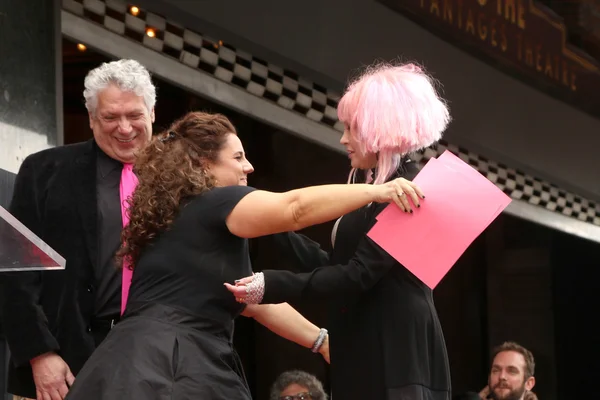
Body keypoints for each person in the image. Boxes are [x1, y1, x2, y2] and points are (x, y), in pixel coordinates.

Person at [62, 110, 423, 399]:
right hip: (171, 364)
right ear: (204, 165)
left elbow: (248, 298)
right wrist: (378, 192)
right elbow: (294, 208)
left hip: (132, 363)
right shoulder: (215, 201)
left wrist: (321, 341)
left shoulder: (178, 216)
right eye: (238, 157)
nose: (248, 166)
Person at [227, 62, 452, 400]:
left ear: (380, 130)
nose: (343, 138)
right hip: (369, 352)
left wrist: (270, 284)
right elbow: (338, 264)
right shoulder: (377, 186)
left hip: (397, 360)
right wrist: (271, 226)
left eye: (351, 128)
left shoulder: (410, 190)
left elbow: (358, 274)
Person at [0, 59, 156, 400]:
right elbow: (15, 271)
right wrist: (39, 353)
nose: (125, 128)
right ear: (91, 119)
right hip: (60, 366)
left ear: (152, 113)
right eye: (110, 117)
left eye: (134, 115)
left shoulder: (178, 182)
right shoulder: (45, 170)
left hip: (149, 364)